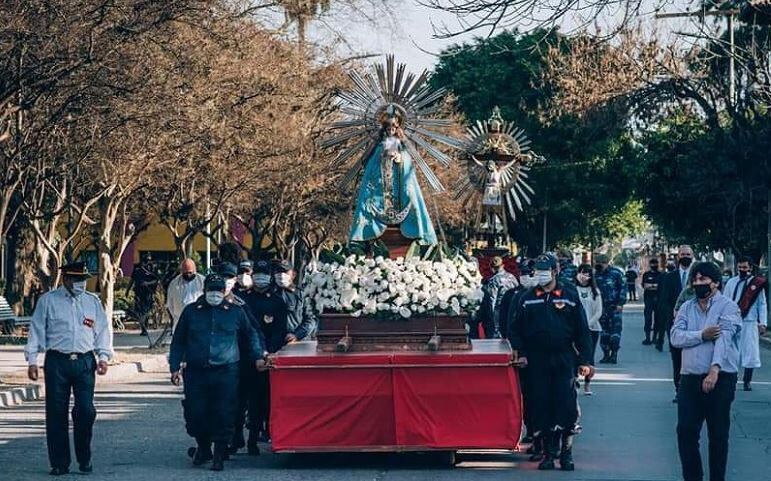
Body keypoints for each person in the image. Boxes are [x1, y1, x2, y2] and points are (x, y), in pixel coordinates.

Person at [169, 274, 266, 472]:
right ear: (204, 291)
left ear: (224, 292)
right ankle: (204, 447)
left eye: (218, 291)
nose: (214, 294)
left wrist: (257, 356)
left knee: (224, 413)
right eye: (211, 290)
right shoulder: (191, 312)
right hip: (196, 372)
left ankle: (219, 454)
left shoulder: (236, 312)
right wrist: (174, 366)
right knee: (196, 413)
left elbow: (251, 335)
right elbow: (178, 340)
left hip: (226, 371)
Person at [25, 262, 113, 476]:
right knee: (56, 413)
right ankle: (59, 463)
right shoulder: (49, 301)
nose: (80, 283)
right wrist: (32, 360)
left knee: (85, 410)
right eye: (75, 279)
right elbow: (36, 329)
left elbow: (102, 330)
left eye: (83, 279)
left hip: (84, 362)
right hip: (57, 361)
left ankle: (84, 457)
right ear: (65, 279)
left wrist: (103, 356)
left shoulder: (92, 302)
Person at [510, 254, 592, 471]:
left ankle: (566, 454)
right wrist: (521, 353)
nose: (540, 274)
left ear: (555, 271)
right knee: (541, 405)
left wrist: (585, 361)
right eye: (537, 270)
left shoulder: (569, 295)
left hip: (564, 358)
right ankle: (547, 454)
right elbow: (514, 329)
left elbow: (582, 331)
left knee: (566, 405)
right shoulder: (527, 298)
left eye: (545, 270)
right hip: (536, 360)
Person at [670, 261, 741, 481]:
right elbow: (676, 337)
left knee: (718, 435)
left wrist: (714, 370)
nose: (699, 283)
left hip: (720, 378)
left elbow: (724, 339)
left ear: (716, 283)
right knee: (686, 432)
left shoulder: (728, 307)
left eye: (704, 279)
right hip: (690, 378)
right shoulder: (686, 307)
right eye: (696, 280)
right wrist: (701, 335)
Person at [243, 260, 287, 445]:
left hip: (269, 355)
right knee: (246, 398)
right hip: (246, 356)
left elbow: (279, 330)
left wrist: (269, 353)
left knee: (266, 397)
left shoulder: (277, 301)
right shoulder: (244, 298)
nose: (260, 277)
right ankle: (243, 435)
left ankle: (266, 431)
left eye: (264, 273)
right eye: (257, 273)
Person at [722, 256, 767, 391]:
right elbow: (726, 301)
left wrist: (762, 322)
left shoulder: (756, 284)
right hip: (734, 321)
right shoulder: (731, 282)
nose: (742, 270)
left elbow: (762, 304)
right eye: (740, 267)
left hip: (750, 321)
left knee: (750, 352)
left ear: (750, 268)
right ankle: (732, 378)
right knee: (732, 351)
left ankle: (747, 381)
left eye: (745, 267)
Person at [656, 245, 694, 401]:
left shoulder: (698, 276)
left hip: (695, 325)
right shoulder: (668, 277)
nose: (685, 256)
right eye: (682, 254)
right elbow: (663, 300)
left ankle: (692, 389)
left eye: (688, 254)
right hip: (674, 324)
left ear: (692, 256)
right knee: (677, 358)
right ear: (678, 256)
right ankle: (679, 389)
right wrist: (673, 317)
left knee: (693, 357)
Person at [273, 259, 316, 344]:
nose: (281, 275)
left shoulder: (301, 294)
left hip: (297, 343)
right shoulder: (270, 293)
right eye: (278, 271)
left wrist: (297, 335)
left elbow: (311, 320)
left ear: (293, 274)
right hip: (273, 344)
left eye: (285, 272)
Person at [594, 254, 627, 364]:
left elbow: (623, 287)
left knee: (615, 332)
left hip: (614, 307)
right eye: (598, 263)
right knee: (604, 333)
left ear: (607, 263)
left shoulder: (616, 273)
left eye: (602, 263)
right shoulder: (594, 274)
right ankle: (606, 354)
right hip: (600, 308)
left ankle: (614, 354)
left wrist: (620, 303)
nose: (600, 265)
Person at [576, 264, 603, 395]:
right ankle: (574, 380)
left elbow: (599, 312)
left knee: (589, 357)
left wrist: (587, 324)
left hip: (592, 328)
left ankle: (587, 384)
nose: (585, 276)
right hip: (575, 329)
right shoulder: (572, 290)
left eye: (587, 274)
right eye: (583, 273)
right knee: (575, 355)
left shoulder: (595, 292)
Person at [481, 256, 519, 338]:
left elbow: (492, 301)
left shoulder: (494, 280)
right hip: (513, 310)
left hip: (499, 311)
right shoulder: (512, 277)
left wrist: (491, 321)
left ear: (491, 268)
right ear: (502, 265)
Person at [166, 258, 205, 332]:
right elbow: (170, 304)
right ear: (181, 271)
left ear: (195, 270)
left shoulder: (203, 281)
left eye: (190, 272)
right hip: (180, 321)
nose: (188, 275)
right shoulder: (174, 284)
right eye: (185, 273)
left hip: (199, 321)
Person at [126, 253, 160, 336]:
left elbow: (156, 280)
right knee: (140, 311)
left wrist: (147, 283)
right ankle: (143, 328)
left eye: (148, 260)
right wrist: (127, 290)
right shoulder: (137, 268)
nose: (147, 262)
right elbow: (132, 280)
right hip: (138, 292)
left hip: (148, 293)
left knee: (146, 311)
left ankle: (145, 325)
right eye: (146, 260)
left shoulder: (152, 268)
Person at [641, 257, 663, 345]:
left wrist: (651, 286)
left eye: (655, 264)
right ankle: (647, 338)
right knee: (648, 318)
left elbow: (661, 287)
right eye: (652, 264)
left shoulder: (661, 275)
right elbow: (645, 285)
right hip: (648, 299)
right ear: (650, 265)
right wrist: (655, 286)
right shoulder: (646, 274)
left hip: (658, 299)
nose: (654, 265)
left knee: (658, 319)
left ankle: (654, 338)